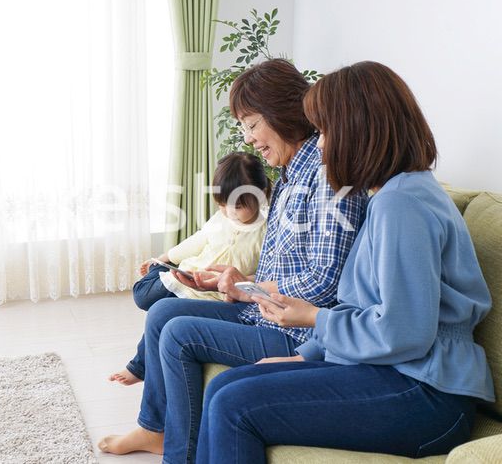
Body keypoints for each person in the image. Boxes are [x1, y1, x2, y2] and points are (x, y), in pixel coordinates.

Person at [183, 61, 494, 463]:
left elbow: (403, 333)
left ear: (358, 130)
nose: (323, 145)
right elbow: (368, 309)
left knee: (234, 403)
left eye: (326, 130)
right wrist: (305, 355)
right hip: (396, 373)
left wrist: (315, 319)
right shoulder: (389, 196)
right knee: (226, 388)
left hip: (428, 393)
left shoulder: (402, 206)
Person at [98, 59, 368, 457]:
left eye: (252, 123)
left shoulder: (327, 174)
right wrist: (239, 283)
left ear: (283, 111)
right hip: (264, 311)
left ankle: (178, 453)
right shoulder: (291, 174)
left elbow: (325, 281)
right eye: (244, 126)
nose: (248, 138)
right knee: (161, 314)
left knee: (178, 332)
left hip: (294, 331)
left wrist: (251, 290)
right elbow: (287, 267)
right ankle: (155, 429)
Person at [109, 152, 271, 386]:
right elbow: (198, 240)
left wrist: (239, 284)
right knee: (143, 295)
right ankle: (160, 270)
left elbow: (266, 275)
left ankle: (137, 367)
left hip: (212, 294)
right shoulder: (221, 219)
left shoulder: (266, 230)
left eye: (238, 206)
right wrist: (164, 257)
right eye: (223, 205)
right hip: (188, 274)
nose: (229, 212)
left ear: (261, 194)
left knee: (160, 311)